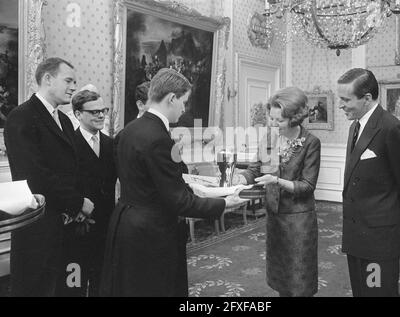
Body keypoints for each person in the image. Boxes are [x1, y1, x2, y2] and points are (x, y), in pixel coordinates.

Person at [100, 68, 238, 297]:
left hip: (126, 223)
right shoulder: (158, 138)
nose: (184, 108)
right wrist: (226, 203)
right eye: (184, 102)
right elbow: (179, 202)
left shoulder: (128, 131)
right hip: (152, 231)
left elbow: (148, 181)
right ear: (171, 98)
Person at [4, 57, 95, 296]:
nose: (74, 87)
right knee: (34, 288)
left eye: (75, 81)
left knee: (65, 289)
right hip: (37, 227)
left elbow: (73, 170)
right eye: (68, 80)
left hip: (66, 226)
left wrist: (76, 209)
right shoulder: (21, 117)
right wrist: (77, 203)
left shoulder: (64, 119)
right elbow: (34, 176)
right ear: (47, 79)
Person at [337, 68, 400, 297]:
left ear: (367, 98)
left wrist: (394, 217)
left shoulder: (391, 128)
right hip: (356, 234)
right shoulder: (355, 126)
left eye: (346, 100)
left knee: (377, 292)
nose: (341, 105)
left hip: (378, 239)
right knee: (361, 291)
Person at [234, 87, 321, 297]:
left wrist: (277, 180)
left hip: (299, 220)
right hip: (274, 216)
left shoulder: (311, 143)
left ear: (295, 118)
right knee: (281, 276)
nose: (273, 124)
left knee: (299, 278)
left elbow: (307, 186)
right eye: (271, 119)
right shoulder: (269, 138)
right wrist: (238, 178)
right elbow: (255, 169)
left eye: (279, 120)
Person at [59, 90, 117, 296]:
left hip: (105, 227)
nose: (101, 115)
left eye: (103, 110)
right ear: (78, 114)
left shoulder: (112, 144)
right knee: (74, 284)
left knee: (101, 282)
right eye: (94, 112)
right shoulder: (67, 145)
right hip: (77, 229)